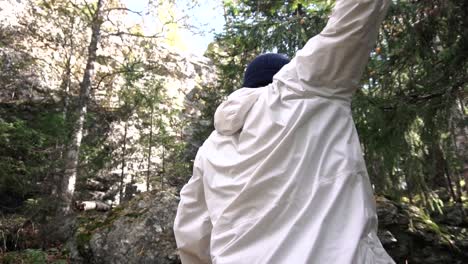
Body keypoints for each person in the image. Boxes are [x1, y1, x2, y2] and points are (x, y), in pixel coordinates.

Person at [174, 0, 395, 263]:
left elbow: (191, 230)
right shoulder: (309, 85)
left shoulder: (211, 147)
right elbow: (354, 19)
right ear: (284, 73)